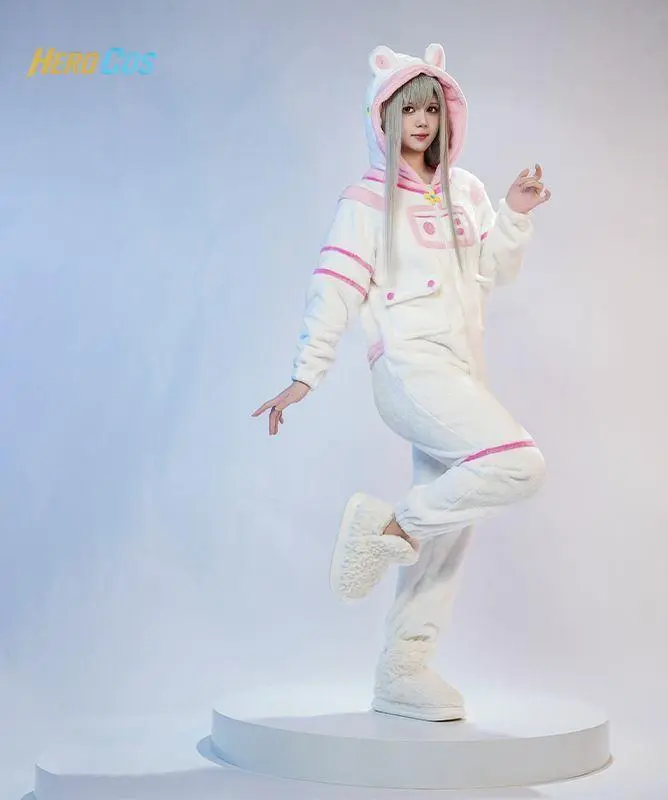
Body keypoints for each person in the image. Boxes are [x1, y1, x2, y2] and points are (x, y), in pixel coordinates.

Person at [252, 42, 552, 722]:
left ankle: (403, 668)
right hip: (409, 367)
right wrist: (304, 376)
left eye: (432, 108)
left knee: (454, 523)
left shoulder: (466, 191)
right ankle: (389, 526)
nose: (421, 120)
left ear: (448, 116)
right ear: (383, 118)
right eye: (407, 109)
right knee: (518, 465)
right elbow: (335, 286)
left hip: (462, 368)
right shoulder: (367, 200)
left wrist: (514, 214)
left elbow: (492, 273)